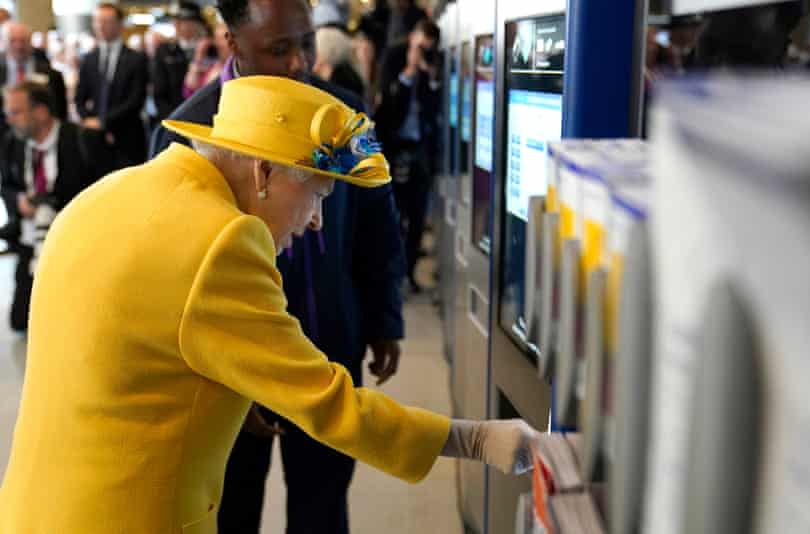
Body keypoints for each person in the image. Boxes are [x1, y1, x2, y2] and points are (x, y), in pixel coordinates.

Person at [0, 74, 538, 533]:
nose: (316, 221)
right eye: (319, 194)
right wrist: (477, 439)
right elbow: (330, 404)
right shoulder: (223, 242)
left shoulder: (109, 193)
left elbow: (126, 352)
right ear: (263, 173)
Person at [150, 1, 408, 532]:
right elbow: (169, 270)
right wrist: (228, 378)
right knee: (232, 509)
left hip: (328, 350)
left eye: (306, 42)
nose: (299, 63)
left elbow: (377, 226)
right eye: (279, 47)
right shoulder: (189, 130)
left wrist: (384, 321)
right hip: (229, 371)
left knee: (323, 504)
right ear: (232, 43)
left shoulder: (343, 117)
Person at [0, 81, 111, 332]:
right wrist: (18, 200)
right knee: (21, 322)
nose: (9, 119)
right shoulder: (13, 143)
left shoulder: (82, 139)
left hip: (75, 241)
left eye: (16, 112)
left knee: (73, 320)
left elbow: (110, 188)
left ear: (40, 112)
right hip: (31, 240)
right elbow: (6, 185)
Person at [374, 19, 442, 294]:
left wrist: (432, 78)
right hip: (394, 148)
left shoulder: (432, 64)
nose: (424, 52)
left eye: (428, 48)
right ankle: (391, 276)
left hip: (419, 151)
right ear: (412, 38)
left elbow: (435, 109)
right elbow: (386, 110)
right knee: (394, 216)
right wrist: (408, 73)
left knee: (416, 217)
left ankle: (410, 273)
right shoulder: (393, 56)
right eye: (420, 47)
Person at [75, 2, 148, 167]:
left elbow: (136, 100)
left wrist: (104, 121)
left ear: (120, 25)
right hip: (94, 137)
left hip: (128, 135)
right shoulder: (89, 59)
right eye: (97, 21)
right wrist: (88, 119)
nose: (101, 26)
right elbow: (80, 97)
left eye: (106, 21)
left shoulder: (136, 59)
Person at [0, 22, 68, 123]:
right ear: (4, 42)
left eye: (23, 41)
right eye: (13, 41)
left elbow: (60, 112)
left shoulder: (51, 74)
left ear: (30, 42)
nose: (19, 46)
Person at [153, 1, 208, 120]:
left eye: (186, 22)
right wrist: (171, 120)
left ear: (198, 24)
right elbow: (159, 92)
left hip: (203, 117)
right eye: (177, 21)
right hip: (174, 116)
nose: (179, 26)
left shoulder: (209, 51)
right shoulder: (165, 51)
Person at [183, 22, 231, 98]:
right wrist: (199, 55)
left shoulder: (238, 67)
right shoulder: (210, 66)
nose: (218, 44)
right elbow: (188, 92)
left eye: (223, 38)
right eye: (216, 39)